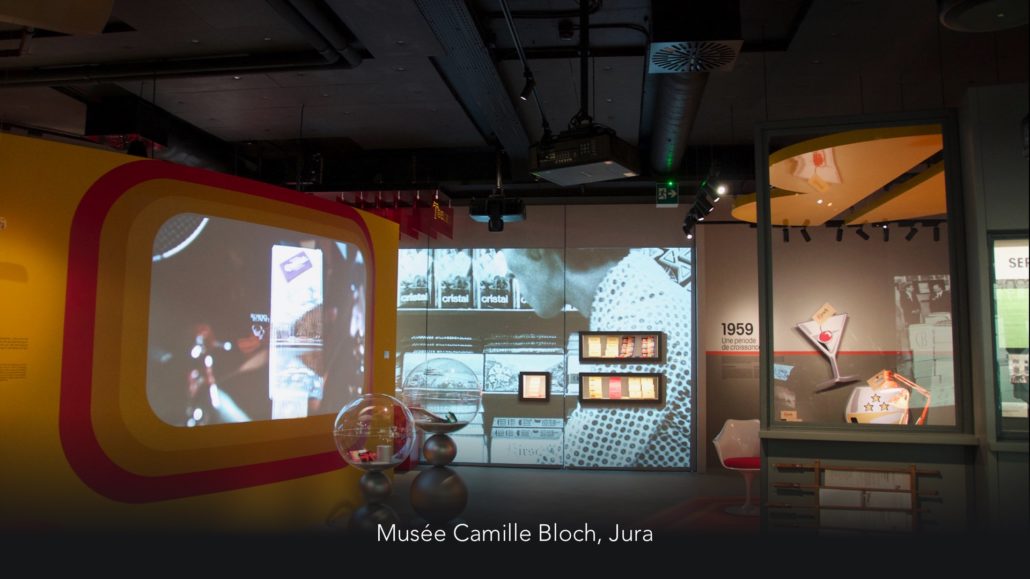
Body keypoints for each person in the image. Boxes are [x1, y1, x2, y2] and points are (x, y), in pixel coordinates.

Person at [503, 247, 693, 469]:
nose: (508, 274)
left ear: (536, 251)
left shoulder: (640, 322)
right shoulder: (640, 298)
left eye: (513, 270)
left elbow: (582, 462)